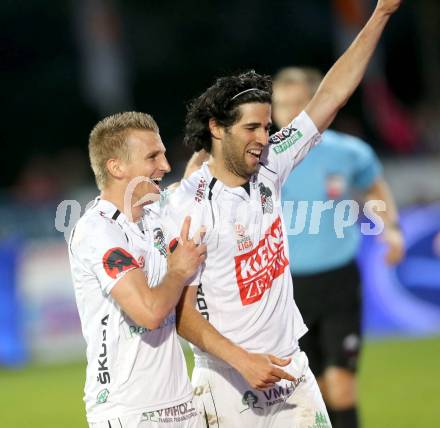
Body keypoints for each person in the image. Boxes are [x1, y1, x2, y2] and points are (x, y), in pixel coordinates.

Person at [162, 1, 403, 427]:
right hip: (230, 384)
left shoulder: (273, 164)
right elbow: (180, 311)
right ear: (217, 128)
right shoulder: (189, 207)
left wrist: (380, 14)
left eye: (268, 126)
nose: (264, 138)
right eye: (251, 128)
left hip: (292, 372)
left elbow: (331, 94)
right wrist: (244, 361)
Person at [272, 66, 405, 428]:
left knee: (341, 386)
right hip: (286, 292)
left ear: (320, 103)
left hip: (339, 283)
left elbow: (374, 188)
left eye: (299, 103)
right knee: (309, 394)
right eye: (282, 105)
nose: (290, 114)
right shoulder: (265, 159)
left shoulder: (349, 152)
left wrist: (389, 228)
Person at [68, 112, 207, 428]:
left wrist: (216, 136)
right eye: (152, 157)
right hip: (130, 413)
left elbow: (193, 179)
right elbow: (149, 311)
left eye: (164, 154)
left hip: (182, 406)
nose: (166, 166)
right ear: (116, 167)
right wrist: (178, 270)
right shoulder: (98, 231)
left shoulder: (154, 216)